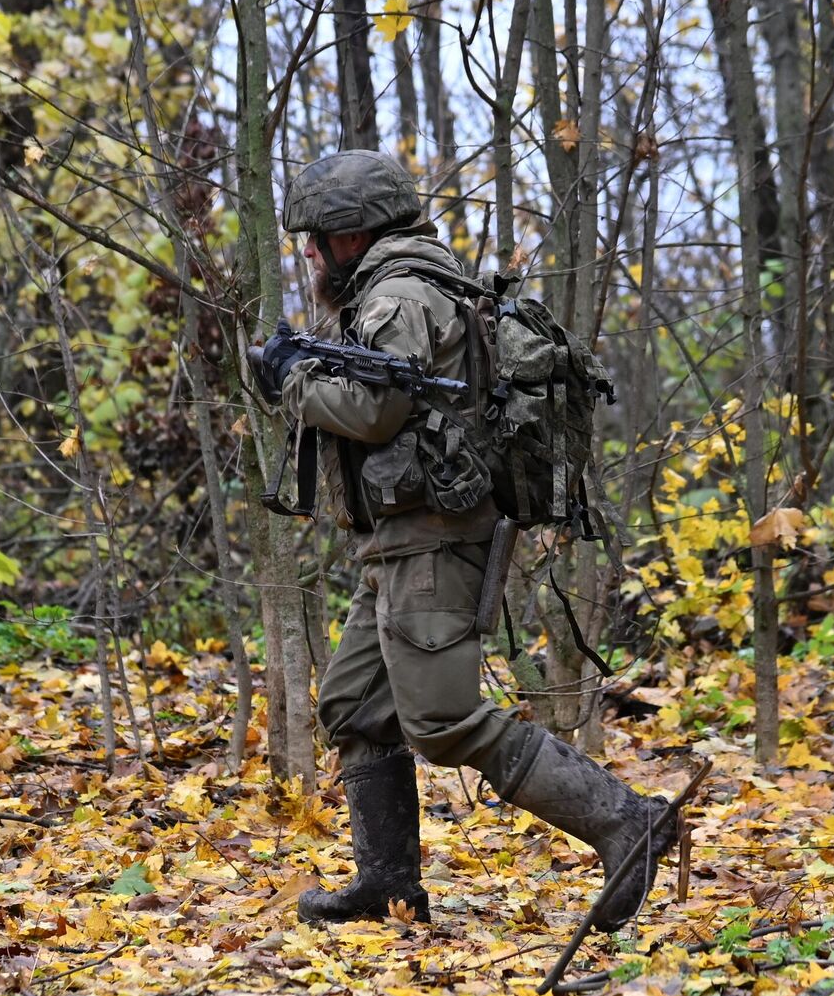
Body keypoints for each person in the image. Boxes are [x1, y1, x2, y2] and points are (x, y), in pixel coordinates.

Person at [247, 150, 674, 931]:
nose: (307, 251)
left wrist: (289, 381)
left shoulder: (401, 294)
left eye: (315, 235)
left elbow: (374, 412)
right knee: (355, 704)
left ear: (352, 233)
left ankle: (626, 821)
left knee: (440, 720)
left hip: (433, 539)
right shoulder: (397, 286)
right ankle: (388, 887)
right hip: (402, 540)